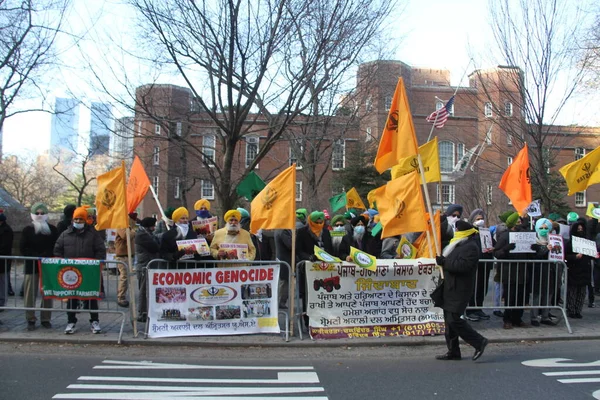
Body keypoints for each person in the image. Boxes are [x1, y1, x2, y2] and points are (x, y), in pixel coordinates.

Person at [435, 220, 488, 361]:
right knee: (448, 321)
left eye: (457, 229)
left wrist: (444, 262)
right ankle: (453, 351)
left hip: (460, 289)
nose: (455, 232)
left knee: (453, 320)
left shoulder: (471, 247)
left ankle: (478, 341)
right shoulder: (457, 243)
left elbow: (463, 266)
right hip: (450, 287)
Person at [54, 206, 107, 334]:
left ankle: (94, 321)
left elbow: (100, 250)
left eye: (80, 219)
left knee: (91, 297)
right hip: (72, 273)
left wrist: (95, 264)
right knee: (72, 298)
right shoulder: (65, 234)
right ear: (72, 220)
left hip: (89, 272)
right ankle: (71, 321)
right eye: (76, 219)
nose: (78, 222)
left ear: (85, 220)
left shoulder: (93, 234)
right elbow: (57, 250)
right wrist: (62, 263)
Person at [20, 203, 59, 330]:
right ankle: (30, 318)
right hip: (31, 266)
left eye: (42, 213)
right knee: (30, 293)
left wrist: (46, 255)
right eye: (37, 213)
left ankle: (46, 318)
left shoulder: (53, 230)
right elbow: (23, 248)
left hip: (48, 266)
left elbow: (56, 246)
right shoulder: (27, 230)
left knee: (48, 293)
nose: (40, 215)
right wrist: (35, 256)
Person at [465, 208, 492, 322]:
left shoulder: (486, 232)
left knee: (482, 288)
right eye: (478, 219)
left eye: (482, 219)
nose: (480, 221)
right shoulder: (470, 233)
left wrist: (492, 249)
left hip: (485, 264)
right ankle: (471, 310)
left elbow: (493, 244)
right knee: (473, 288)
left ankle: (479, 308)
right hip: (475, 265)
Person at [530, 217, 558, 326]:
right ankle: (534, 317)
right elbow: (536, 254)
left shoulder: (553, 240)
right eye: (541, 227)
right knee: (536, 295)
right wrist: (546, 248)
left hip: (549, 270)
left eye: (546, 228)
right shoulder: (534, 241)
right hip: (537, 271)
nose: (543, 229)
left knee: (548, 294)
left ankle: (545, 316)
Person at [565, 220, 593, 318]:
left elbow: (591, 255)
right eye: (578, 229)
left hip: (585, 270)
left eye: (582, 229)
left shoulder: (587, 242)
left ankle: (578, 310)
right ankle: (571, 310)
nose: (580, 231)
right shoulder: (570, 243)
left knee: (582, 292)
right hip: (574, 269)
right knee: (572, 291)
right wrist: (574, 257)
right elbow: (565, 256)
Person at [134, 217, 159, 322]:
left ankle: (147, 311)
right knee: (143, 290)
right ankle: (142, 312)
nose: (154, 228)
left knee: (147, 290)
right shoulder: (142, 236)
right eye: (153, 225)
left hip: (148, 265)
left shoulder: (146, 234)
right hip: (144, 266)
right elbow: (154, 246)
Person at [114, 220, 136, 308]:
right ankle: (121, 297)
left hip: (128, 255)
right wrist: (133, 230)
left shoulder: (128, 227)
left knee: (127, 276)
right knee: (124, 276)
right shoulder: (121, 226)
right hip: (122, 255)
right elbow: (125, 236)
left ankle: (124, 295)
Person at [0, 211, 13, 311]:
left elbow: (5, 246)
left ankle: (2, 302)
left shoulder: (7, 230)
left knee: (3, 283)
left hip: (3, 261)